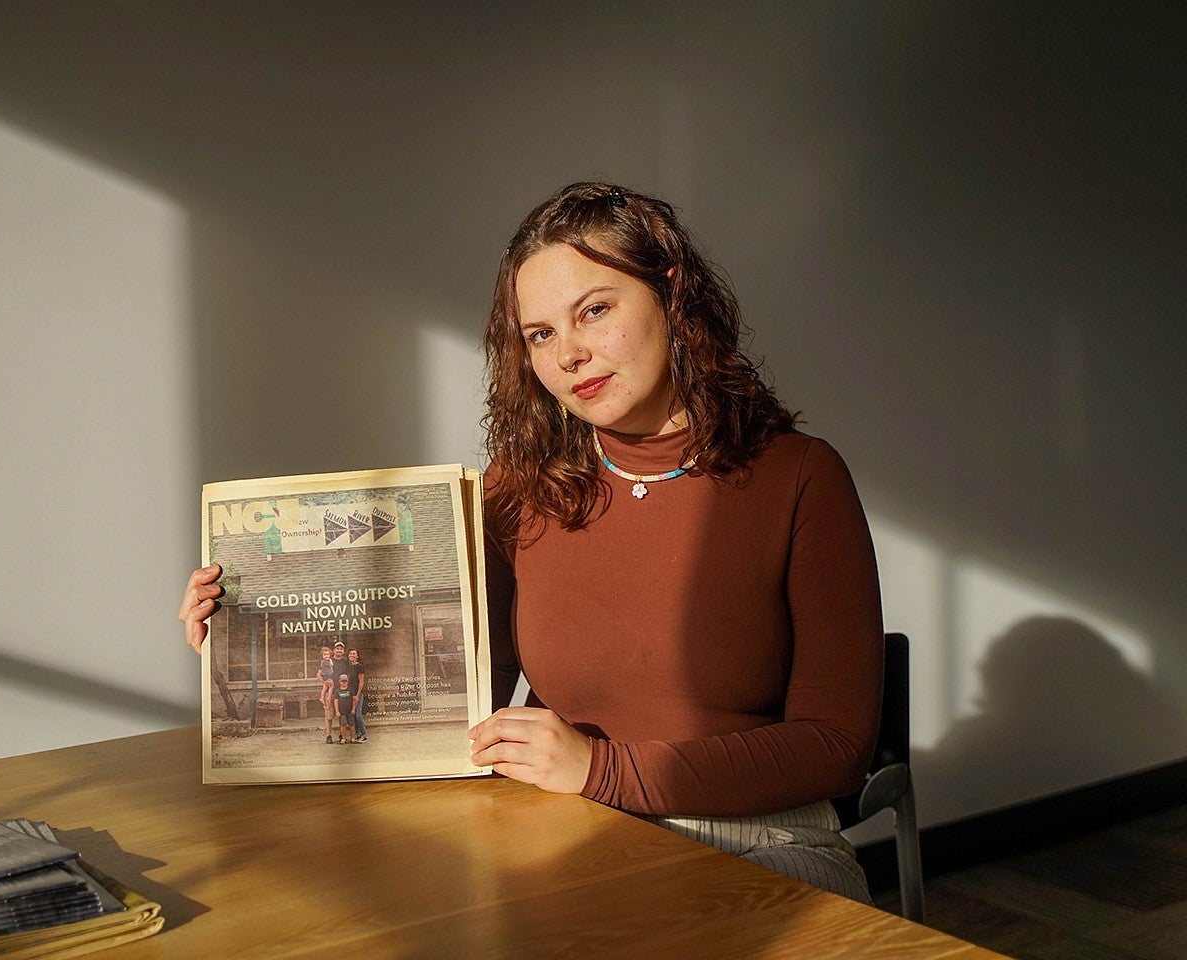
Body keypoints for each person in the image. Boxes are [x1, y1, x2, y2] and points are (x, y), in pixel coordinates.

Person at [179, 181, 882, 901]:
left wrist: (600, 770)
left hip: (759, 842)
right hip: (565, 829)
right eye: (541, 334)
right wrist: (249, 643)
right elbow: (433, 700)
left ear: (672, 295)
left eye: (595, 311)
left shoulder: (800, 477)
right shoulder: (521, 490)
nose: (569, 355)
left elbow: (836, 747)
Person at [347, 648, 368, 742]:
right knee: (353, 714)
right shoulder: (349, 667)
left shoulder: (360, 666)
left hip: (357, 693)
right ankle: (358, 733)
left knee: (358, 714)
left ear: (357, 656)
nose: (351, 655)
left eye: (354, 654)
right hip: (350, 694)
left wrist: (357, 695)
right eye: (350, 654)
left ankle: (364, 734)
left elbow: (361, 681)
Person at [316, 645, 335, 744]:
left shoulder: (327, 661)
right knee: (328, 715)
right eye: (325, 654)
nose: (327, 655)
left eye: (328, 654)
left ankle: (342, 735)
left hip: (339, 690)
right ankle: (329, 735)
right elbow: (318, 674)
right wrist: (323, 682)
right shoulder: (325, 662)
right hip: (327, 679)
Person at [333, 673, 356, 744]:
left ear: (347, 681)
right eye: (342, 681)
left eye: (345, 681)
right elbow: (336, 701)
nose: (344, 683)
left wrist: (353, 709)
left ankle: (352, 738)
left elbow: (354, 700)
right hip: (342, 711)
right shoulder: (337, 691)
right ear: (339, 682)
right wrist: (337, 711)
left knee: (351, 724)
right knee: (343, 724)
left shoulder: (350, 690)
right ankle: (343, 738)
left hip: (350, 710)